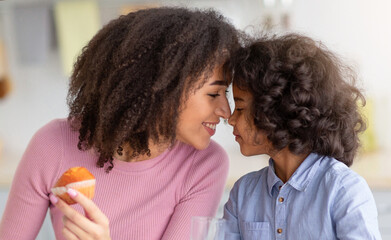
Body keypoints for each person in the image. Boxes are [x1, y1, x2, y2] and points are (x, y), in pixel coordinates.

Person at [0, 7, 240, 240]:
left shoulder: (205, 165)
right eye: (213, 94)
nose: (226, 111)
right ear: (164, 88)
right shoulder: (53, 144)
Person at [223, 34, 382, 239]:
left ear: (276, 109)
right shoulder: (243, 193)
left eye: (241, 108)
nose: (230, 119)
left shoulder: (343, 190)